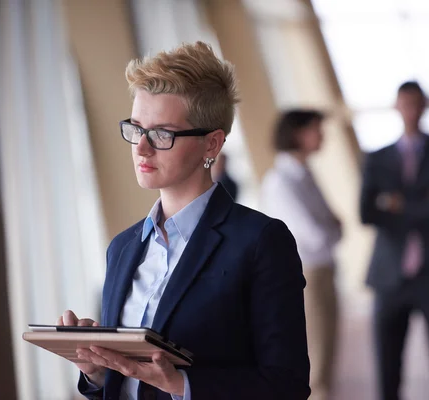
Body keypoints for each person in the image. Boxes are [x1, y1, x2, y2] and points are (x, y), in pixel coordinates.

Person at [56, 42, 311, 400]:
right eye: (136, 128)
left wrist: (181, 385)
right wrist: (98, 373)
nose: (141, 148)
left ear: (211, 145)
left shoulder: (260, 242)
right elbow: (125, 386)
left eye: (162, 134)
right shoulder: (123, 247)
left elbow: (287, 385)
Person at [360, 81, 429, 400]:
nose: (410, 110)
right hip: (389, 276)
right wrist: (423, 202)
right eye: (404, 103)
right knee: (387, 373)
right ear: (397, 107)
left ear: (425, 107)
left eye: (416, 103)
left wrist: (396, 203)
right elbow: (366, 212)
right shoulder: (376, 158)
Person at [261, 110, 341, 400]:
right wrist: (333, 229)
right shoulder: (281, 181)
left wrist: (333, 228)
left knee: (326, 352)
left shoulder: (304, 174)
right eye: (316, 129)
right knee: (316, 358)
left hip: (321, 268)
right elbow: (317, 234)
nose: (322, 136)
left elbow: (333, 227)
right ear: (297, 134)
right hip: (307, 272)